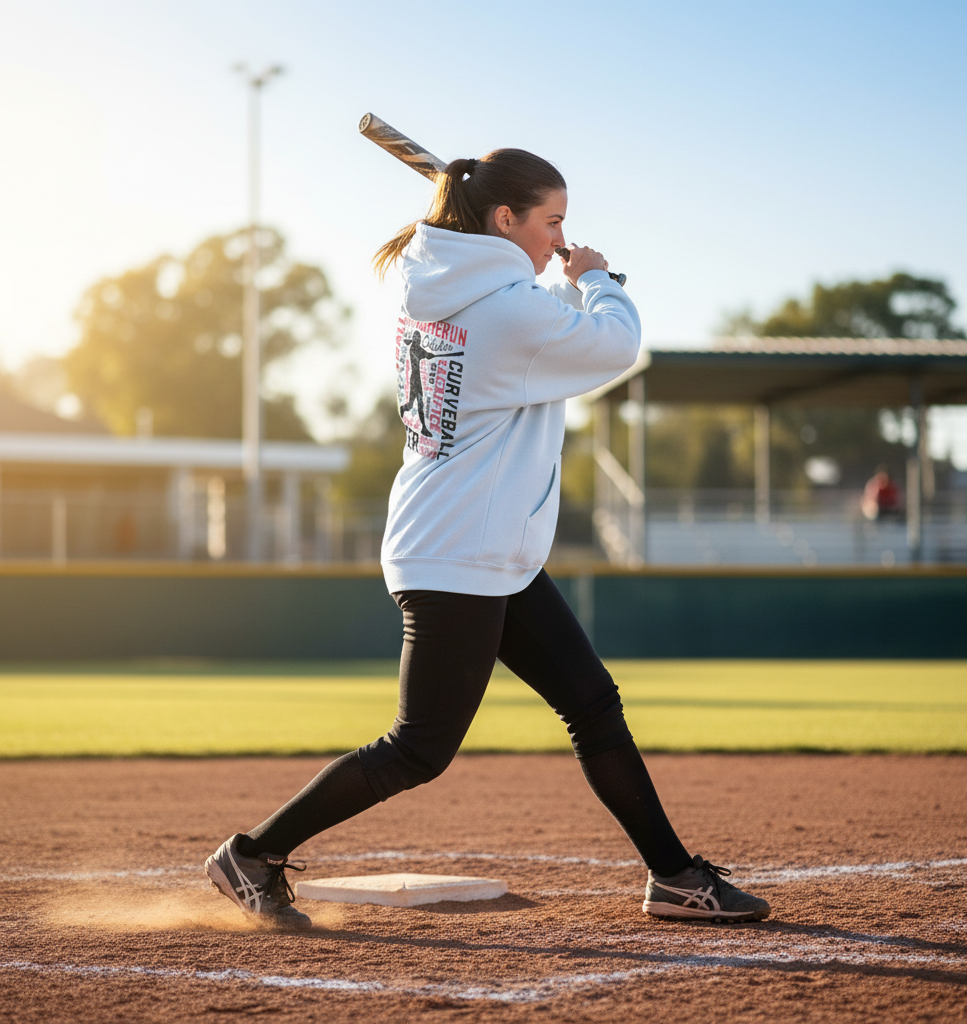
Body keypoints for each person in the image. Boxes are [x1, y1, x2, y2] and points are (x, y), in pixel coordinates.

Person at [205, 148, 770, 929]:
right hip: (458, 552)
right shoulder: (510, 312)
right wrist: (596, 279)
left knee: (593, 707)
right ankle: (253, 855)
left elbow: (523, 311)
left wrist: (559, 277)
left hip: (482, 546)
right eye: (551, 222)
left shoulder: (444, 290)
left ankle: (674, 876)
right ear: (505, 220)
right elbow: (613, 346)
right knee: (416, 750)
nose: (558, 238)